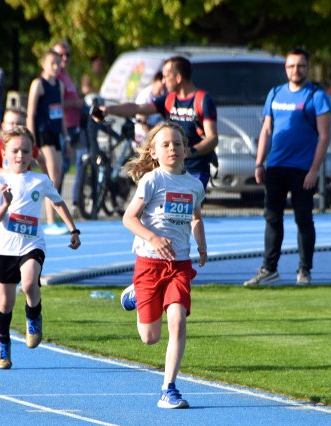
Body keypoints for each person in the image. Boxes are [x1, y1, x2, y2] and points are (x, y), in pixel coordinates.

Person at [119, 121, 207, 408]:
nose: (173, 149)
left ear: (185, 150)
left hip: (180, 264)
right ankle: (134, 293)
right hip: (149, 263)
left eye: (177, 144)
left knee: (178, 321)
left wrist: (202, 245)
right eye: (166, 145)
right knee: (150, 338)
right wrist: (153, 238)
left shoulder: (194, 185)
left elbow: (195, 217)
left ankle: (169, 388)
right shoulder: (152, 181)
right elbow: (129, 219)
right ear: (154, 153)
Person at [0, 125, 81, 369]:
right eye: (15, 151)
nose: (20, 156)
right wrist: (6, 203)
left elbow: (58, 203)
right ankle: (3, 347)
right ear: (4, 153)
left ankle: (33, 316)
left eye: (25, 151)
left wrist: (73, 229)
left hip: (32, 245)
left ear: (32, 153)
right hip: (5, 249)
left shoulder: (40, 180)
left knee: (29, 283)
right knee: (5, 303)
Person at [243, 48, 331, 287]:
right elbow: (266, 130)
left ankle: (304, 270)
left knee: (303, 219)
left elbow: (324, 136)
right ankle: (269, 269)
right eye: (291, 66)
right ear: (286, 68)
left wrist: (314, 170)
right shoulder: (275, 93)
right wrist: (260, 162)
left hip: (303, 170)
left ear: (307, 67)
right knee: (272, 218)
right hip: (276, 167)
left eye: (301, 66)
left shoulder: (316, 96)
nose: (296, 70)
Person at [99, 56, 218, 190]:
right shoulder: (169, 99)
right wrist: (109, 110)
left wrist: (188, 152)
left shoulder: (202, 100)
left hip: (196, 169)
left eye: (166, 76)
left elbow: (212, 138)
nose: (163, 80)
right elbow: (138, 108)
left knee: (188, 207)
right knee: (172, 209)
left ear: (178, 78)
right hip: (173, 169)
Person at [26, 49, 70, 235]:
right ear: (43, 64)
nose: (56, 67)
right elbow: (31, 113)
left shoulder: (59, 85)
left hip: (55, 133)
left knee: (57, 174)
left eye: (58, 63)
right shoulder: (38, 84)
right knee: (51, 175)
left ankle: (53, 217)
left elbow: (61, 114)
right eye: (52, 63)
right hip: (42, 134)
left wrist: (66, 137)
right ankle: (50, 220)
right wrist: (31, 140)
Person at [52, 41, 85, 202]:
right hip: (62, 127)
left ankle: (61, 204)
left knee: (65, 167)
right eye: (60, 55)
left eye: (67, 54)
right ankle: (54, 205)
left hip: (72, 125)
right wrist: (75, 103)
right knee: (59, 168)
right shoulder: (55, 76)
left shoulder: (65, 74)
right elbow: (54, 104)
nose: (64, 58)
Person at [0, 108, 40, 172]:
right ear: (3, 126)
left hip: (25, 179)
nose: (15, 126)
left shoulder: (28, 144)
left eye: (19, 124)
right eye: (11, 123)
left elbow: (40, 160)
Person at [134, 71, 166, 145]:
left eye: (164, 87)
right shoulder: (144, 96)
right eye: (161, 88)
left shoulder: (164, 95)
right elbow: (142, 122)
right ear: (154, 83)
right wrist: (153, 138)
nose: (162, 92)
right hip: (144, 137)